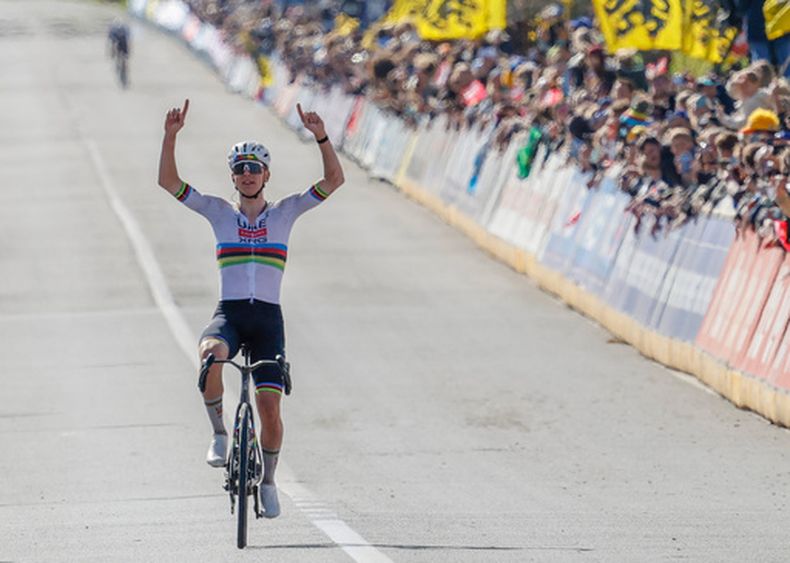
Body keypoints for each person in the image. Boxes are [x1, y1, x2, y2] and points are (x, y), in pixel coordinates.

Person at [157, 99, 344, 518]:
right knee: (209, 357)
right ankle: (220, 433)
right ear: (233, 177)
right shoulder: (219, 212)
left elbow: (334, 179)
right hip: (231, 313)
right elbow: (169, 182)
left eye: (254, 168)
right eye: (240, 169)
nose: (246, 174)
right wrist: (171, 137)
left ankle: (270, 480)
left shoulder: (286, 212)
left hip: (267, 322)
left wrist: (322, 137)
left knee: (270, 407)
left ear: (266, 175)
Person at [107, 19, 130, 87]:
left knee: (118, 54)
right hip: (123, 43)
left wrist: (112, 52)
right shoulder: (124, 28)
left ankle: (121, 66)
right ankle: (123, 67)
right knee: (124, 57)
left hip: (119, 43)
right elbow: (128, 39)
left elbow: (112, 42)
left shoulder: (113, 29)